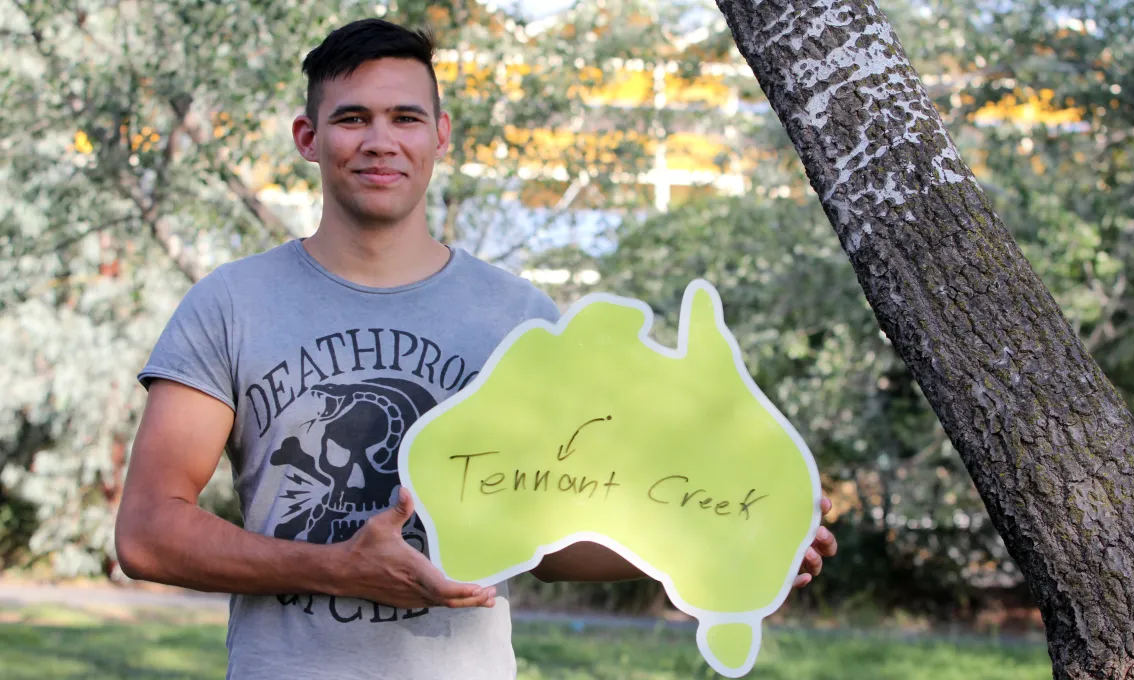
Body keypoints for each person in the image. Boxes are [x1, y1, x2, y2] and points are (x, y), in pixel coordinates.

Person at [114, 18, 838, 680]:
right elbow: (147, 534)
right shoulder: (230, 304)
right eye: (351, 118)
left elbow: (553, 540)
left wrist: (724, 540)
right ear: (308, 138)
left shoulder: (518, 316)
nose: (380, 140)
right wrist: (338, 569)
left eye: (405, 117)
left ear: (440, 134)